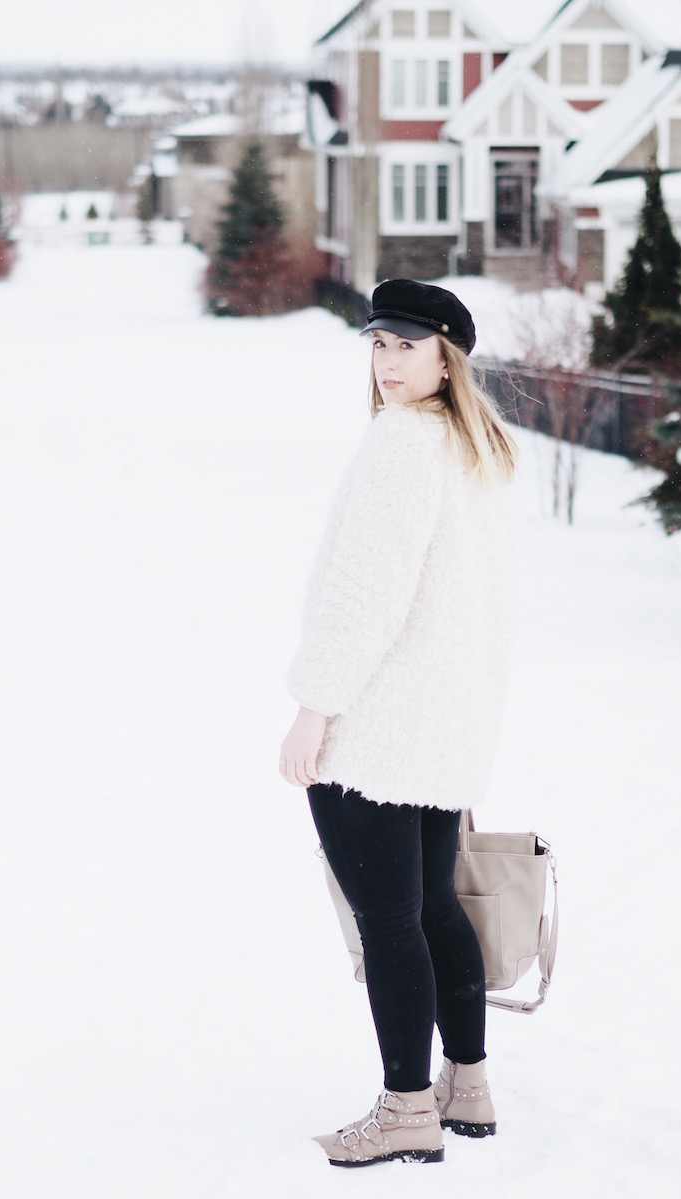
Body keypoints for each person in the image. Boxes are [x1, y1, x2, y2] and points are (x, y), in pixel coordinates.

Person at [279, 278, 518, 1168]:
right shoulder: (476, 448)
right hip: (445, 724)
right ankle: (468, 1084)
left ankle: (408, 1108)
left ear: (447, 357)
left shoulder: (402, 448)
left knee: (389, 920)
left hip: (379, 728)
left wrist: (314, 708)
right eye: (378, 343)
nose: (386, 362)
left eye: (407, 346)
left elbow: (363, 595)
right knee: (430, 906)